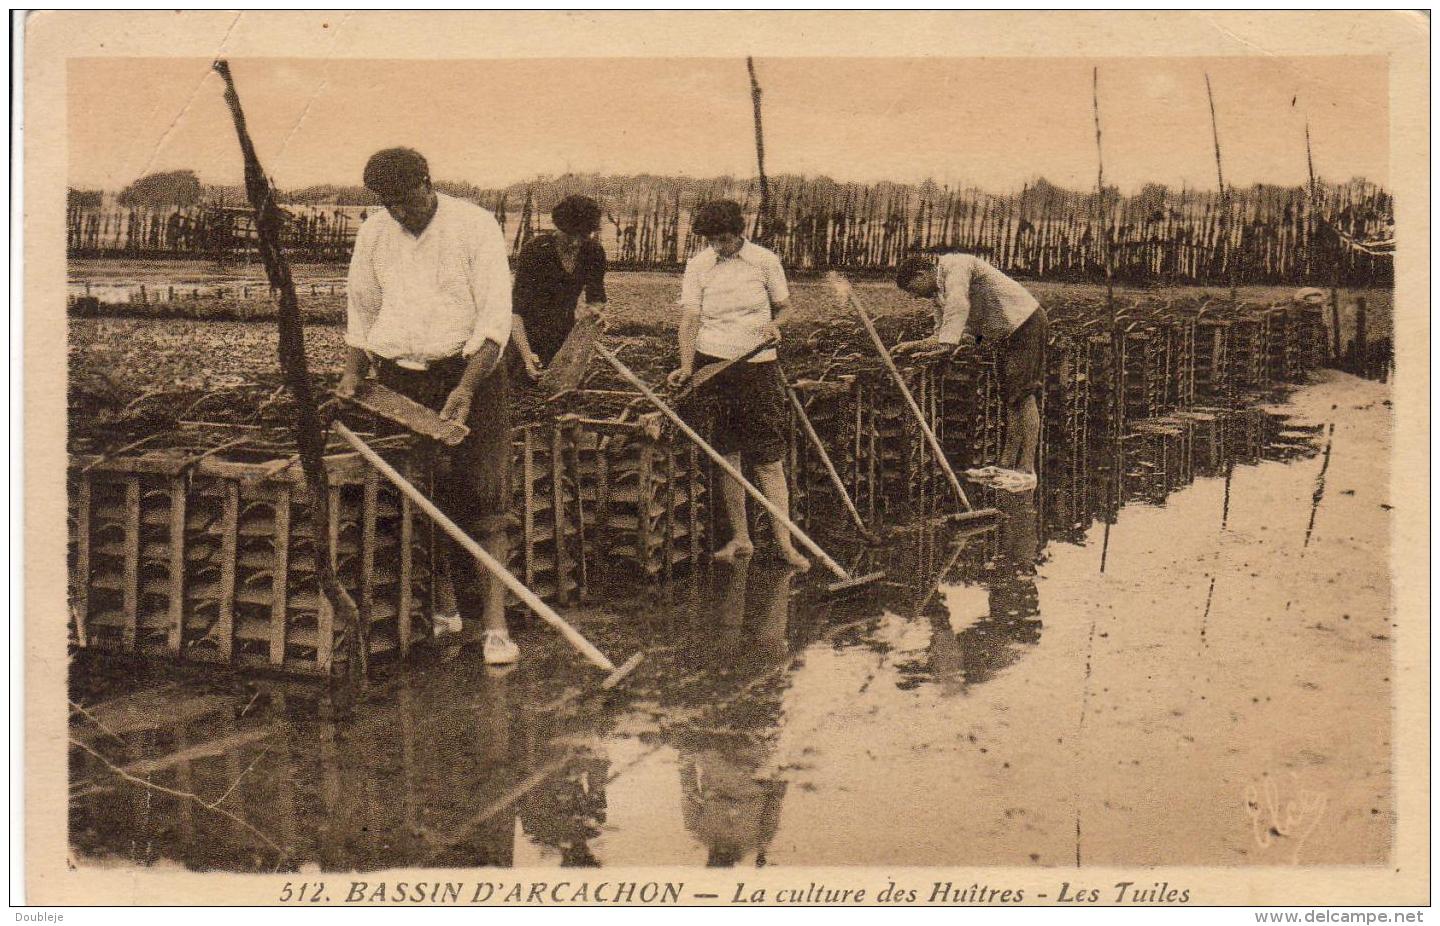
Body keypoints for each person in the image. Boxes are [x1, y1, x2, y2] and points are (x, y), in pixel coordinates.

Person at [337, 147, 519, 666]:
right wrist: (354, 369)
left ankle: (496, 627)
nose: (398, 212)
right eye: (387, 203)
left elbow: (494, 319)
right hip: (400, 381)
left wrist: (464, 389)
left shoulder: (475, 226)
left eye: (406, 200)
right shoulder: (374, 232)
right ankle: (444, 611)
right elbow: (362, 304)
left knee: (486, 496)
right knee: (422, 495)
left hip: (472, 375)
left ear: (428, 182)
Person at [667, 200, 809, 570]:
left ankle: (785, 543)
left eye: (725, 239)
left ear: (740, 232)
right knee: (726, 455)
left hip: (758, 367)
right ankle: (741, 539)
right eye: (713, 240)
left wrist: (777, 326)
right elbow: (690, 320)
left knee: (767, 458)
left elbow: (785, 307)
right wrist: (686, 367)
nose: (719, 246)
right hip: (713, 367)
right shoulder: (699, 266)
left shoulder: (764, 260)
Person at [893, 251, 1049, 487]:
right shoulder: (938, 294)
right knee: (1011, 397)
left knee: (1024, 395)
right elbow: (943, 333)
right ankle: (1006, 466)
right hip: (1004, 334)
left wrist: (946, 344)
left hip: (1024, 323)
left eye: (912, 289)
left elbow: (958, 307)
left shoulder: (954, 266)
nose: (915, 296)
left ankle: (1027, 470)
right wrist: (916, 347)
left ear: (921, 274)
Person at [510, 195, 608, 379]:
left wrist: (593, 313)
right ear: (558, 227)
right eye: (570, 235)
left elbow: (596, 298)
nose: (575, 242)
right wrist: (526, 357)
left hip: (565, 337)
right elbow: (515, 312)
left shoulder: (593, 252)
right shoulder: (536, 250)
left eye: (584, 236)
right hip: (525, 337)